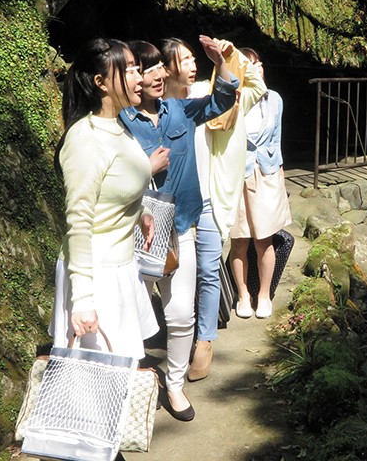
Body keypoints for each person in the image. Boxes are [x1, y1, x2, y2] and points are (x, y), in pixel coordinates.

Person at [119, 35, 239, 420]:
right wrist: (145, 169)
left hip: (180, 226)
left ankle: (174, 384)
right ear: (129, 76)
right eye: (145, 68)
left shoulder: (179, 110)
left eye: (159, 66)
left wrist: (220, 63)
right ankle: (130, 382)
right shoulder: (120, 122)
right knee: (130, 316)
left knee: (181, 315)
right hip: (134, 234)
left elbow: (222, 100)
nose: (156, 75)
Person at [162, 37, 266, 382]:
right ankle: (174, 334)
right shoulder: (154, 107)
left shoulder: (207, 94)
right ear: (165, 69)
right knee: (169, 271)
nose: (193, 65)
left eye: (194, 59)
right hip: (168, 203)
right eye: (185, 60)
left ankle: (205, 340)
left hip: (206, 198)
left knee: (208, 270)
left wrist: (228, 56)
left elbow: (254, 86)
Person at [50, 38, 159, 363]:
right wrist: (83, 300)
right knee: (92, 385)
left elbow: (112, 189)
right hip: (95, 276)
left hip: (121, 269)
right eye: (129, 70)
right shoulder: (86, 139)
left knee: (120, 377)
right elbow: (79, 222)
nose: (139, 77)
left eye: (138, 69)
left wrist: (139, 211)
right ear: (101, 82)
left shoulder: (118, 126)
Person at [228, 48, 292, 319]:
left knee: (264, 240)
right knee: (239, 240)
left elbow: (276, 139)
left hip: (266, 173)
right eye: (251, 65)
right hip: (235, 175)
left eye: (260, 64)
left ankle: (264, 294)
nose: (259, 69)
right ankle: (243, 294)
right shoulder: (230, 100)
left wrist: (280, 175)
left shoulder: (274, 99)